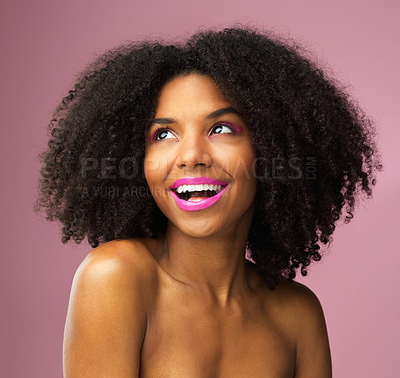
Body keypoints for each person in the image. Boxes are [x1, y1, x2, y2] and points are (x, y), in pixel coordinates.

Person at [34, 25, 381, 377]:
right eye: (164, 134)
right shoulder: (115, 278)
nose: (190, 156)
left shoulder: (298, 316)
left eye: (221, 129)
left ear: (273, 148)